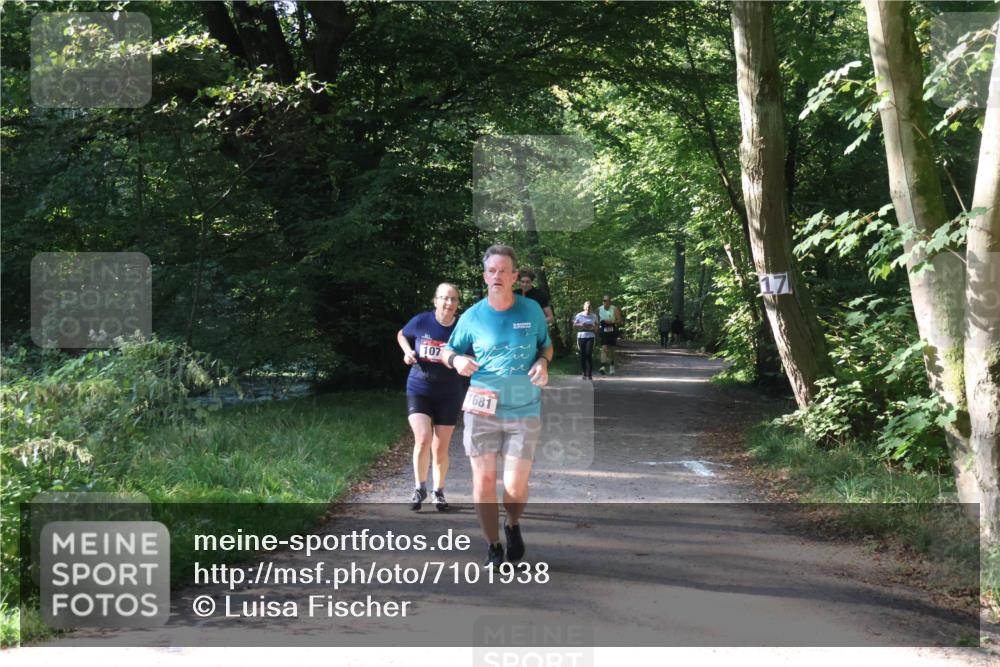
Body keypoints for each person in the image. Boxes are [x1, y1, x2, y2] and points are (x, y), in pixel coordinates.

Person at [443, 245, 552, 567]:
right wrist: (457, 360)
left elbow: (545, 347)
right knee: (484, 481)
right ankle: (493, 545)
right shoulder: (472, 316)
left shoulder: (531, 310)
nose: (497, 276)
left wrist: (543, 363)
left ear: (514, 277)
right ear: (485, 276)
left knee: (515, 486)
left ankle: (512, 523)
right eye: (492, 270)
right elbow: (448, 350)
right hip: (482, 409)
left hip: (524, 408)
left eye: (503, 271)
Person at [396, 283, 464, 512]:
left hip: (449, 392)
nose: (448, 303)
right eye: (444, 298)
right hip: (419, 388)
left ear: (457, 303)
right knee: (423, 438)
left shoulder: (462, 328)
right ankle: (419, 487)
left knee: (440, 446)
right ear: (435, 300)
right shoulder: (421, 321)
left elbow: (474, 354)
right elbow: (401, 334)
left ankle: (438, 491)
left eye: (453, 299)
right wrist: (407, 352)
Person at [573, 300, 599, 380]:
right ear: (584, 307)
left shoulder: (594, 316)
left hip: (590, 336)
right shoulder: (579, 315)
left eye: (589, 307)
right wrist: (582, 324)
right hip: (581, 336)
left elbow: (597, 326)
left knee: (588, 354)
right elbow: (574, 325)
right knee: (583, 355)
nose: (588, 308)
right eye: (587, 307)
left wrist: (593, 328)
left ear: (591, 308)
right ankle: (584, 373)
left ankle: (590, 374)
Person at [598, 294, 623, 375]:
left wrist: (612, 321)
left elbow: (619, 320)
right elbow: (596, 319)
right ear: (603, 301)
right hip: (603, 328)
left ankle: (611, 366)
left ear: (610, 301)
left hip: (612, 329)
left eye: (607, 300)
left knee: (611, 350)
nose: (606, 302)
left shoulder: (614, 309)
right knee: (604, 348)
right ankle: (603, 367)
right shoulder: (599, 309)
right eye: (604, 301)